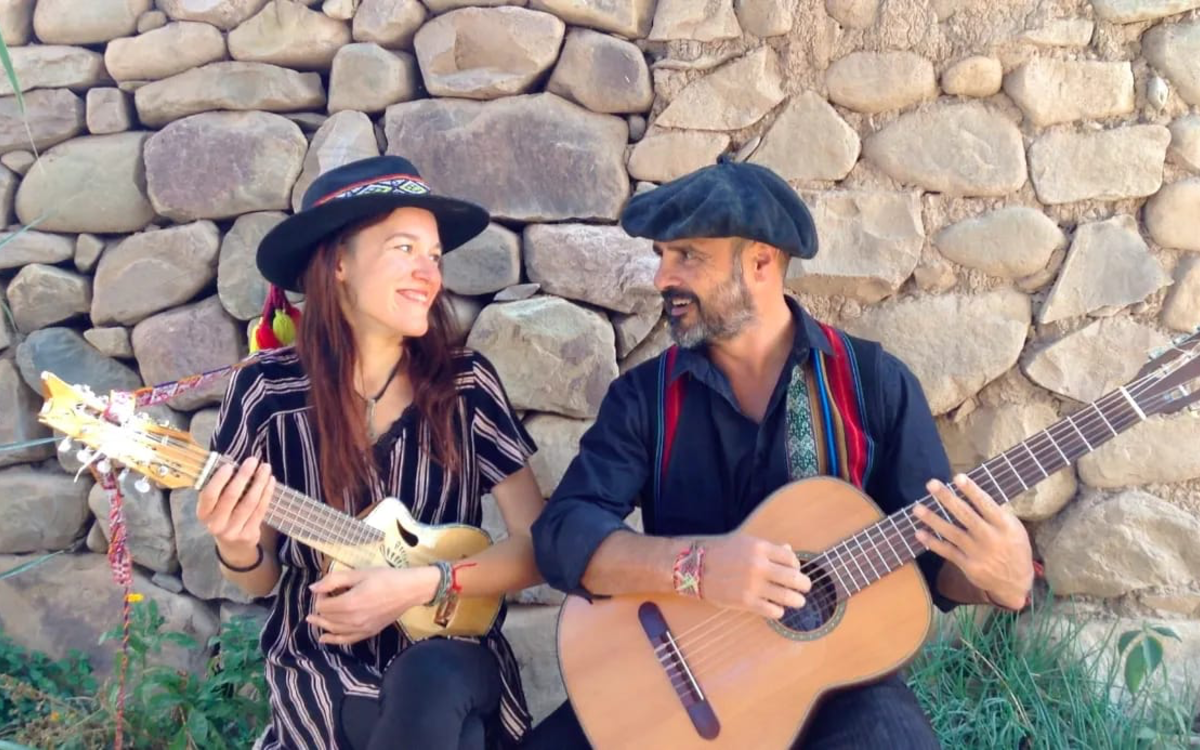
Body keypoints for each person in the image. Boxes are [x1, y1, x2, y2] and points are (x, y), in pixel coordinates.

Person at [526, 156, 1035, 749]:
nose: (663, 278)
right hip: (680, 692)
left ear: (762, 263)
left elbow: (929, 565)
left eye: (687, 255)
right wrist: (697, 568)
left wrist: (1000, 580)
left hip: (835, 690)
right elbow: (563, 536)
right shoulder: (645, 400)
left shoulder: (875, 385)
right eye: (662, 256)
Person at [197, 155, 545, 750]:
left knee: (433, 680)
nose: (428, 274)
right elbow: (260, 582)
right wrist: (235, 545)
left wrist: (419, 586)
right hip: (325, 662)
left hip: (449, 645)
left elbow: (539, 546)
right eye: (403, 248)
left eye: (433, 256)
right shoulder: (266, 392)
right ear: (338, 262)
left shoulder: (465, 385)